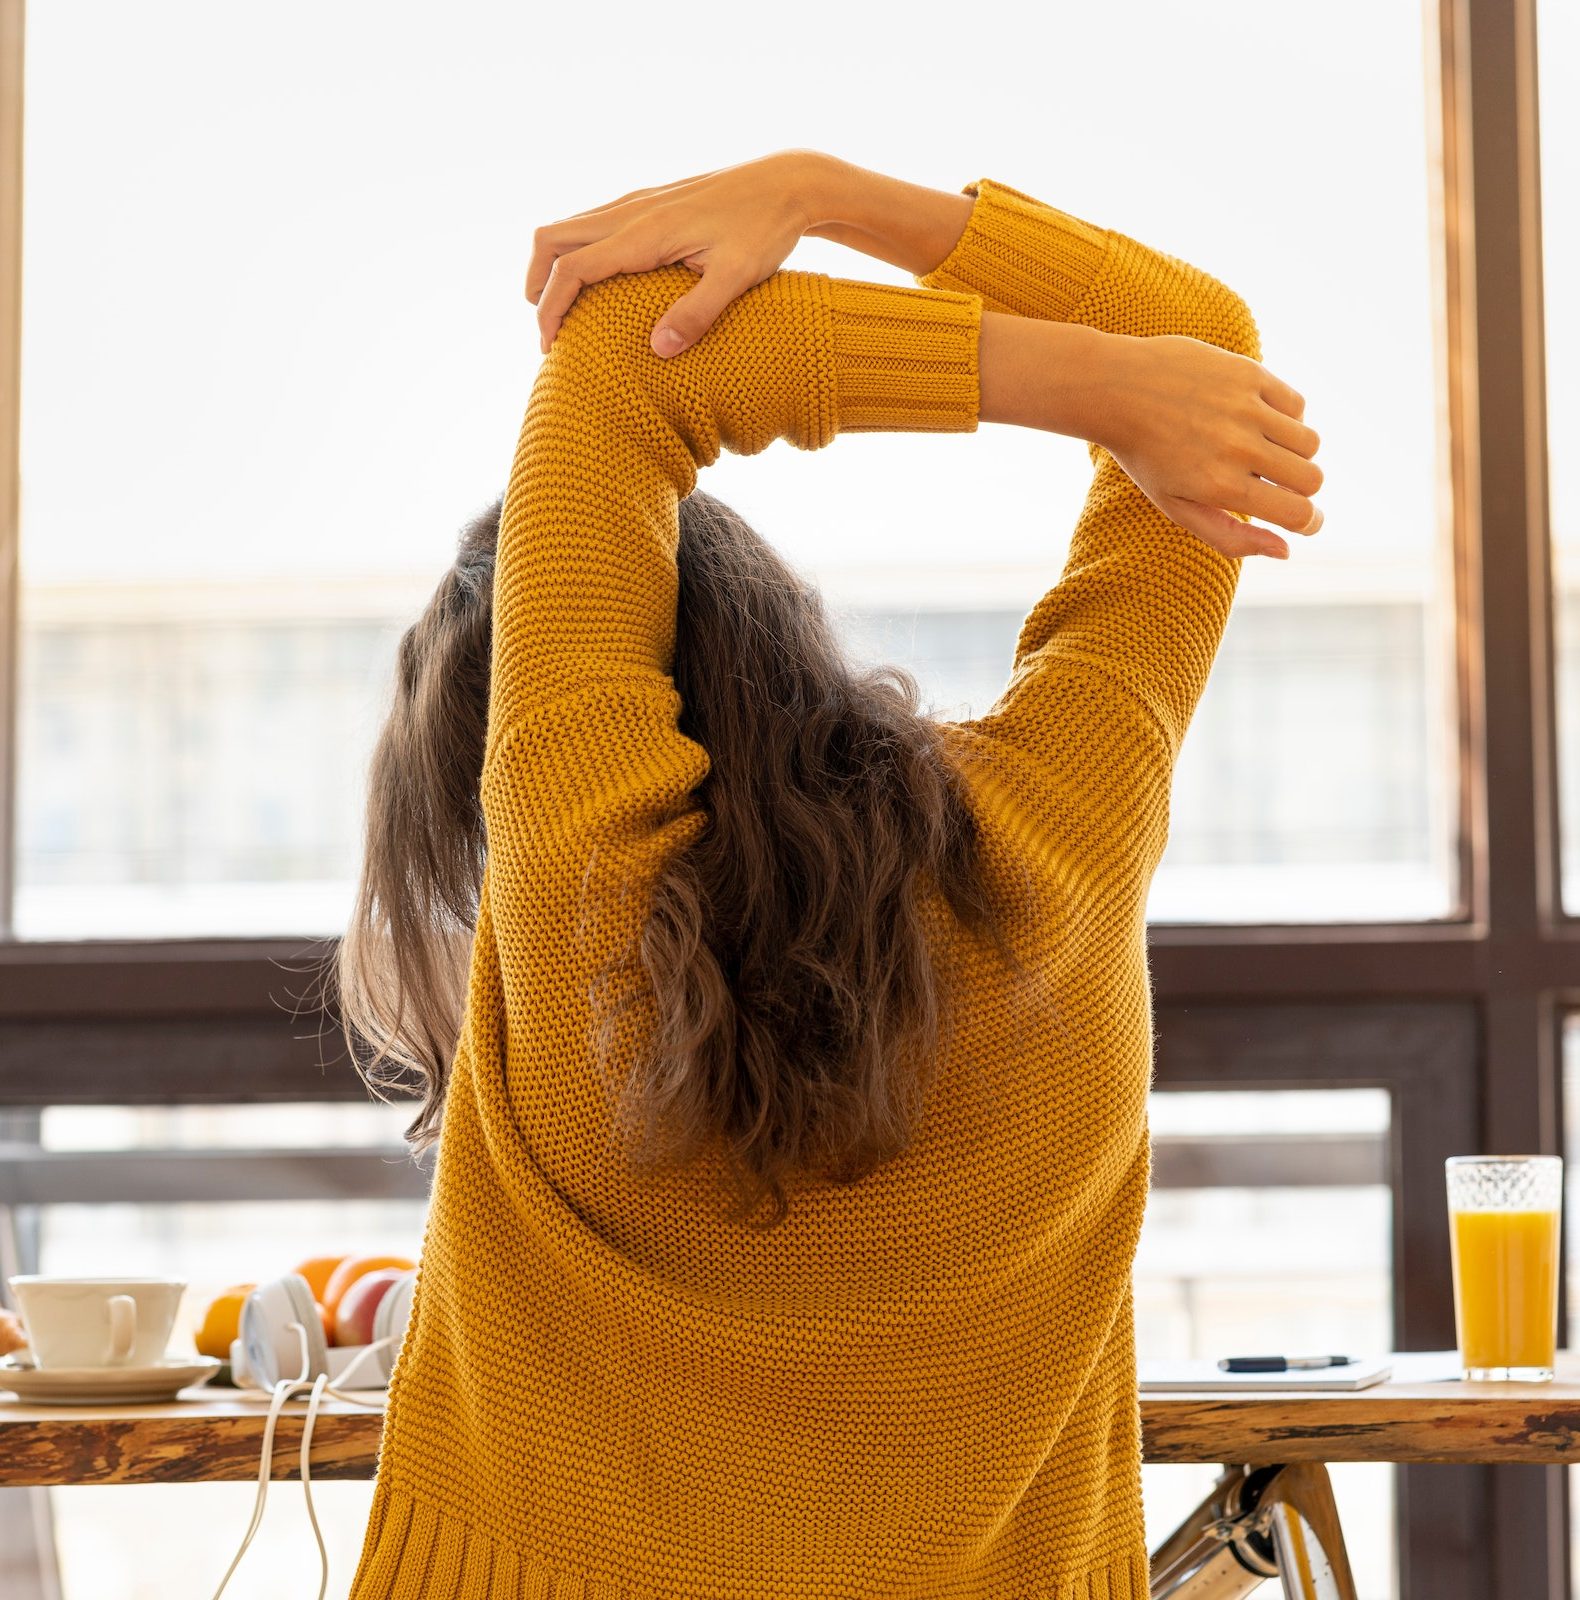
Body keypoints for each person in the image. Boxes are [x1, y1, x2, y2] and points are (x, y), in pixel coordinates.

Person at [335, 150, 1323, 1599]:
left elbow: (618, 369)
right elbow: (1204, 359)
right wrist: (830, 194)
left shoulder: (578, 884)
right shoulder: (1061, 831)